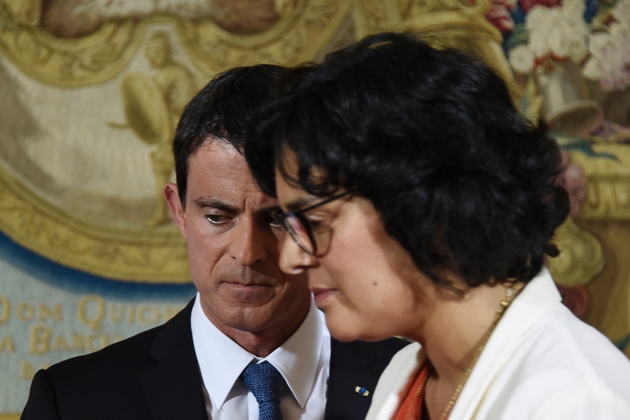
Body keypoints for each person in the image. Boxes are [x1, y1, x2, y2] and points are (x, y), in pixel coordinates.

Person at [244, 33, 630, 419]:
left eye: (314, 221)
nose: (291, 257)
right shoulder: (405, 372)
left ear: (425, 202)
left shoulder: (578, 403)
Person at [21, 65, 408, 420]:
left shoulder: (414, 381)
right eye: (217, 217)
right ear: (178, 211)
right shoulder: (73, 402)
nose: (247, 251)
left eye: (276, 219)